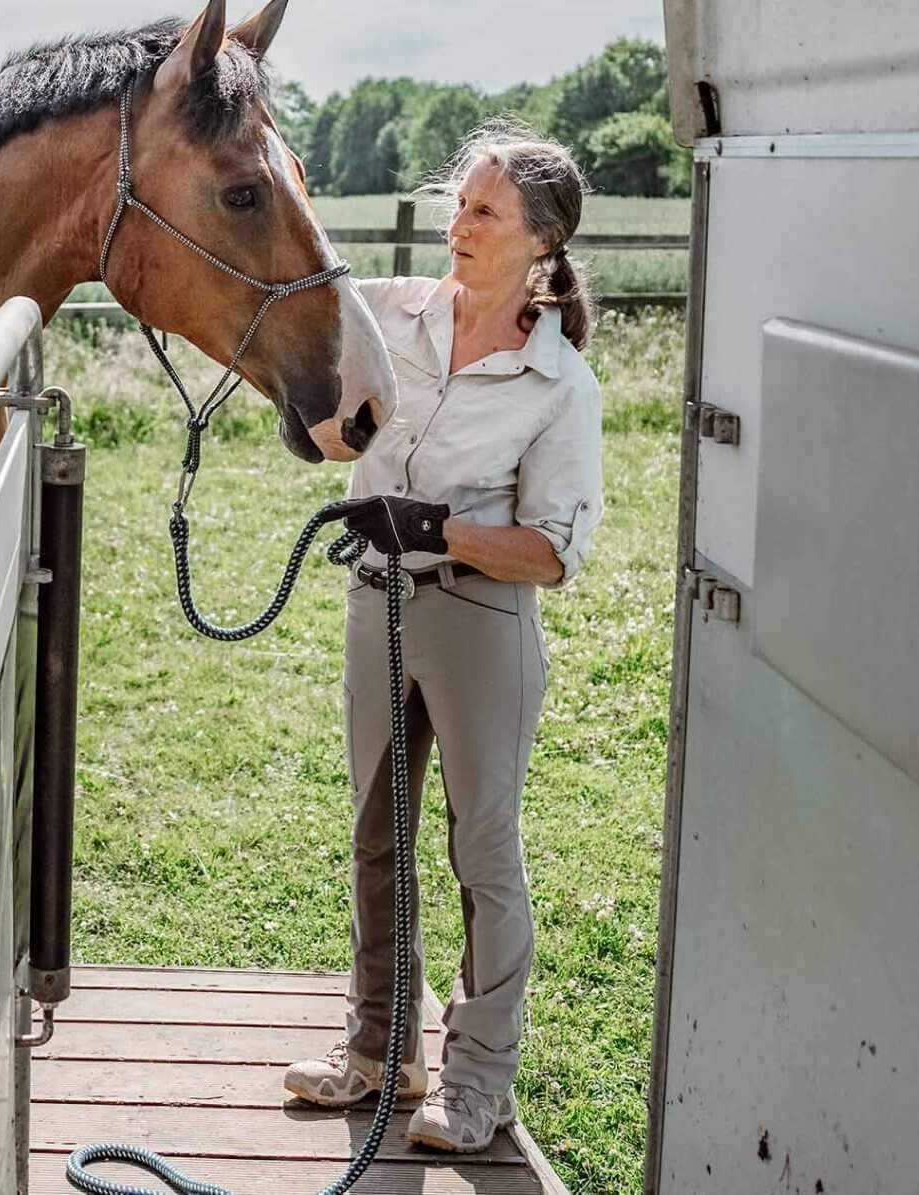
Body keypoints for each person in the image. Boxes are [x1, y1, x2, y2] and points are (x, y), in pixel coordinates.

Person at [282, 124, 606, 1154]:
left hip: (477, 620)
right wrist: (321, 431)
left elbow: (553, 553)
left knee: (481, 854)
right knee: (378, 837)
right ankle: (380, 1052)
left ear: (540, 242)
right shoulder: (384, 312)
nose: (457, 225)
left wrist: (436, 528)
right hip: (374, 606)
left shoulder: (559, 386)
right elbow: (330, 428)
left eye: (483, 212)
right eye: (457, 204)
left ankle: (476, 1084)